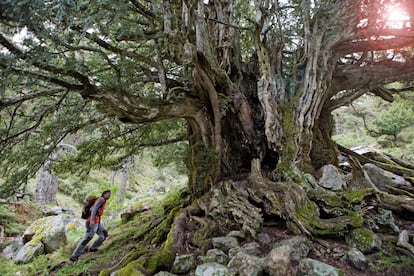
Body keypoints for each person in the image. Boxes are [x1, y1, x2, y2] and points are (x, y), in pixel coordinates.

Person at [70, 190, 111, 262]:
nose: (110, 195)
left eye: (110, 194)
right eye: (108, 194)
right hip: (92, 222)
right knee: (88, 237)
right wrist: (92, 220)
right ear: (104, 194)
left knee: (104, 234)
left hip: (97, 222)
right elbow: (94, 209)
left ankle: (93, 248)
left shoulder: (103, 200)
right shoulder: (101, 199)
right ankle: (74, 255)